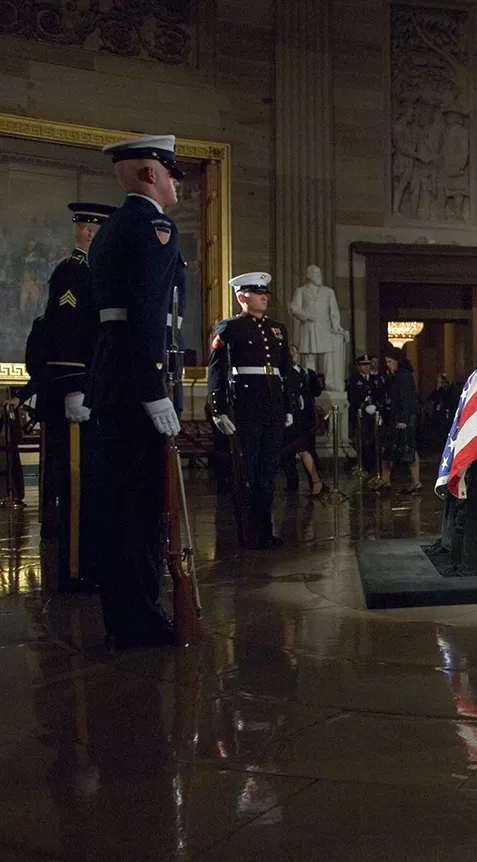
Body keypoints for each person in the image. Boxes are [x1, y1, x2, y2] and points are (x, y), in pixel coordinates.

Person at [86, 134, 186, 649]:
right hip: (135, 379)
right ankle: (140, 620)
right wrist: (154, 388)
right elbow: (148, 314)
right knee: (141, 505)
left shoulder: (108, 232)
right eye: (171, 172)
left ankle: (124, 616)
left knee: (118, 500)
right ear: (150, 173)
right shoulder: (153, 227)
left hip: (111, 376)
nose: (175, 183)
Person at [38, 202, 115, 592]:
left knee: (93, 484)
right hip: (78, 392)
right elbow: (65, 330)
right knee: (76, 484)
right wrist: (73, 386)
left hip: (95, 391)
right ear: (87, 233)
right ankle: (74, 569)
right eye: (95, 230)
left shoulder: (98, 273)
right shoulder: (72, 272)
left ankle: (92, 562)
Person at [208, 272, 294, 549]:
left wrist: (288, 405)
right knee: (247, 472)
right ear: (241, 297)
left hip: (273, 406)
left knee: (268, 473)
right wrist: (219, 409)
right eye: (258, 294)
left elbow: (286, 370)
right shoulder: (230, 328)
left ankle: (264, 531)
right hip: (247, 407)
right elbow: (217, 368)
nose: (264, 298)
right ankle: (247, 530)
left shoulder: (277, 328)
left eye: (265, 294)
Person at [282, 345, 329, 496]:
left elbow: (313, 392)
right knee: (293, 452)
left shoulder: (303, 373)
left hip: (302, 418)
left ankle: (315, 482)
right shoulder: (289, 373)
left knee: (305, 450)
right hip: (295, 417)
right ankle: (303, 483)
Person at [378, 346, 421, 493]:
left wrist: (403, 419)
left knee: (406, 447)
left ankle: (412, 481)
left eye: (390, 361)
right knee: (399, 447)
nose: (388, 364)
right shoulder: (398, 375)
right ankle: (387, 479)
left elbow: (406, 398)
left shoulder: (402, 376)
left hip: (404, 417)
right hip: (401, 416)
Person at [346, 354, 385, 475]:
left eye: (368, 364)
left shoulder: (376, 379)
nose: (366, 367)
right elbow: (352, 398)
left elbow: (381, 394)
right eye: (364, 365)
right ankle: (364, 465)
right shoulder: (354, 380)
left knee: (375, 440)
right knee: (362, 441)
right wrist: (363, 407)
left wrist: (376, 406)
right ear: (359, 366)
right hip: (361, 415)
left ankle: (374, 466)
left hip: (374, 415)